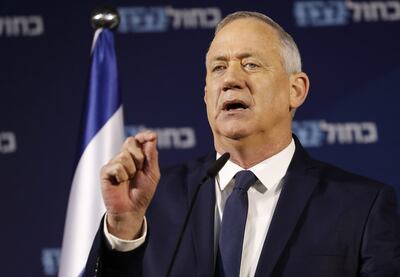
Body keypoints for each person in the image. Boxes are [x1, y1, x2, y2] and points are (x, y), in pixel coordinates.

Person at [84, 11, 400, 277]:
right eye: (219, 67)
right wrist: (123, 231)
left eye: (250, 64)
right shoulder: (153, 200)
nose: (231, 79)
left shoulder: (362, 206)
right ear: (207, 94)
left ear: (296, 90)